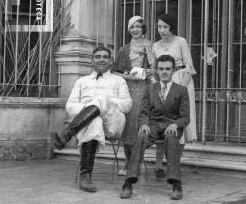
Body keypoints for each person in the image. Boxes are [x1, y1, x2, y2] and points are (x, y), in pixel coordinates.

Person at [52, 46, 132, 192]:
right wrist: (92, 109)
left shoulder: (119, 80)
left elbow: (127, 105)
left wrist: (106, 103)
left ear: (110, 61)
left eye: (105, 57)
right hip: (90, 124)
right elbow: (70, 106)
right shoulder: (82, 81)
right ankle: (86, 177)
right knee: (95, 121)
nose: (101, 59)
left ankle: (68, 133)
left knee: (101, 99)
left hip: (113, 123)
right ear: (92, 60)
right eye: (98, 57)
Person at [120, 55, 190, 200]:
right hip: (153, 126)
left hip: (171, 126)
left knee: (171, 138)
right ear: (157, 70)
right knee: (140, 136)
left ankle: (176, 184)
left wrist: (176, 124)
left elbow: (185, 117)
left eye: (168, 69)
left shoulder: (181, 90)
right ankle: (129, 182)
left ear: (174, 70)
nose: (164, 72)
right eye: (161, 69)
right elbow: (143, 112)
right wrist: (144, 123)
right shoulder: (150, 89)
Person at [152, 13, 197, 178]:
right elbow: (154, 69)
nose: (162, 30)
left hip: (182, 80)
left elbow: (190, 67)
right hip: (164, 81)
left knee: (179, 125)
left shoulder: (181, 41)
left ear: (171, 28)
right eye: (159, 27)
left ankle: (174, 164)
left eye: (165, 27)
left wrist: (179, 90)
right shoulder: (155, 46)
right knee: (161, 120)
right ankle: (158, 165)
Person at [113, 15, 155, 176]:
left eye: (139, 26)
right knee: (127, 126)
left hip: (143, 90)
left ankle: (135, 162)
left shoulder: (148, 46)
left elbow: (154, 69)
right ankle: (127, 161)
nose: (136, 29)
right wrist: (129, 77)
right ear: (129, 29)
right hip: (126, 89)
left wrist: (143, 72)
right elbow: (115, 71)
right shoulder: (124, 49)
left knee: (138, 126)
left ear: (143, 28)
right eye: (132, 27)